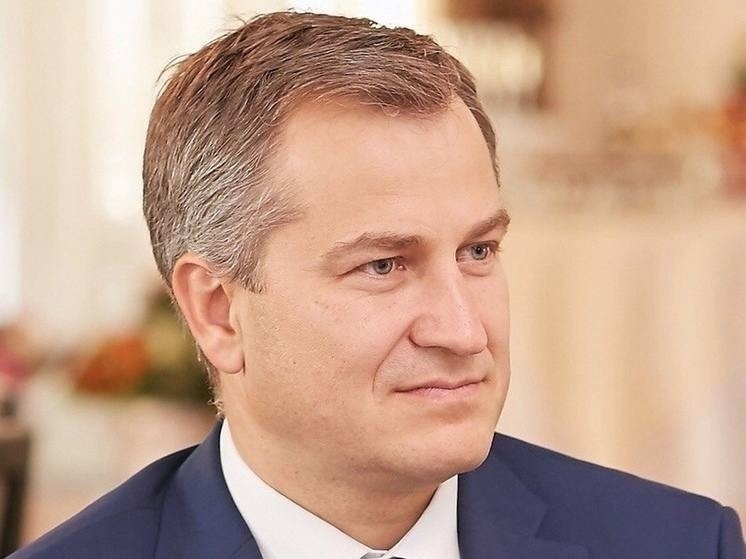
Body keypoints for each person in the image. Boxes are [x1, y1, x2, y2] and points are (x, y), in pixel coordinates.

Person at [11, 11, 745, 559]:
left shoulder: (680, 544)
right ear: (217, 310)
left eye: (478, 251)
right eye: (383, 266)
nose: (464, 331)